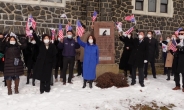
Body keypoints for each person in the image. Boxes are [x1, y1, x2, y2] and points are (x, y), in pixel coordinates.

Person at [31, 27, 57, 94]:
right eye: (45, 38)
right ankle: (42, 89)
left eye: (47, 38)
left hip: (49, 63)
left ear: (49, 39)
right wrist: (33, 32)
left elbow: (54, 56)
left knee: (48, 76)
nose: (46, 39)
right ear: (43, 39)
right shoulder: (41, 45)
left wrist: (54, 64)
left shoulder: (52, 46)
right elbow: (36, 39)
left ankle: (47, 88)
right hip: (41, 63)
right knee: (42, 76)